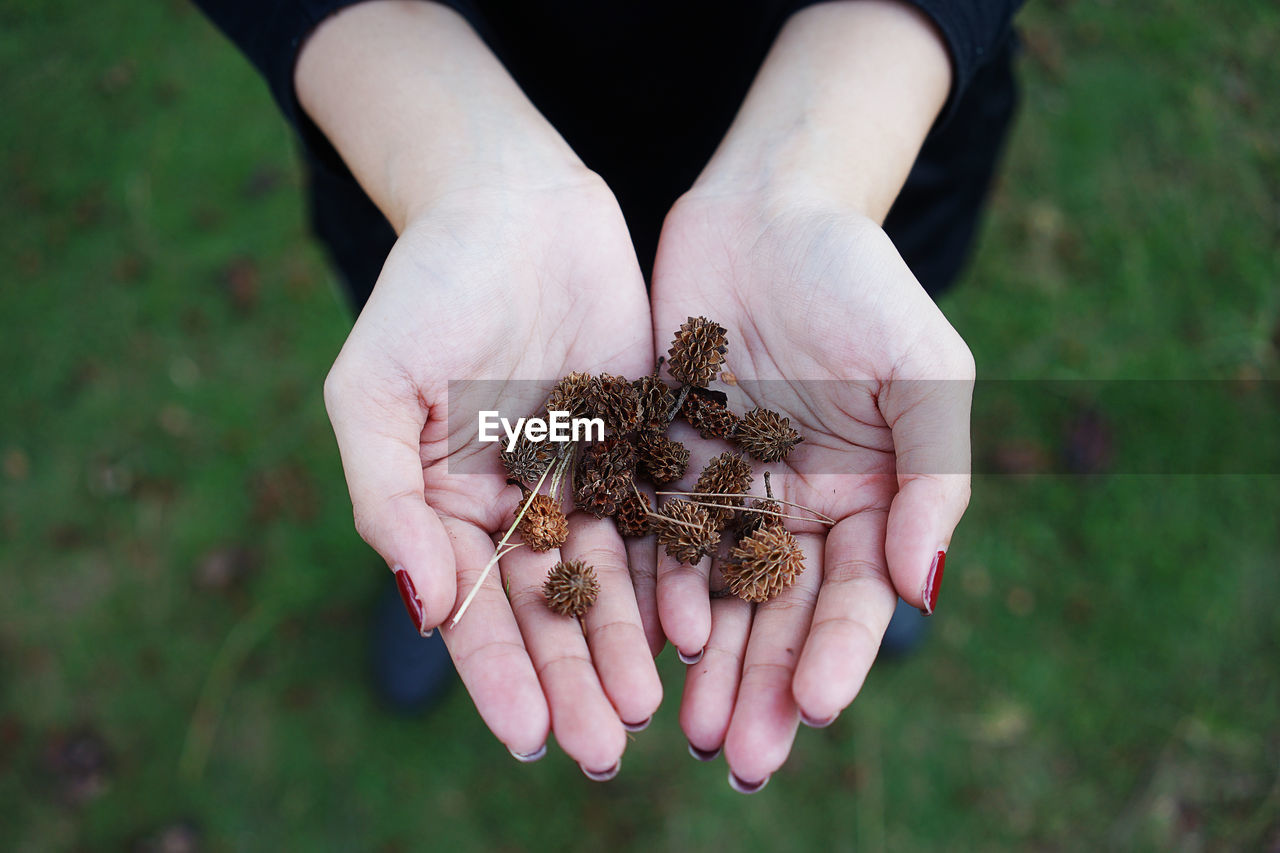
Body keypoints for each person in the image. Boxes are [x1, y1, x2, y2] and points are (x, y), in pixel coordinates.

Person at [194, 0, 1020, 793]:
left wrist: (811, 188)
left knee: (857, 429)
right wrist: (461, 176)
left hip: (851, 131)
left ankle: (867, 535)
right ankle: (442, 575)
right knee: (448, 457)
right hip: (444, 164)